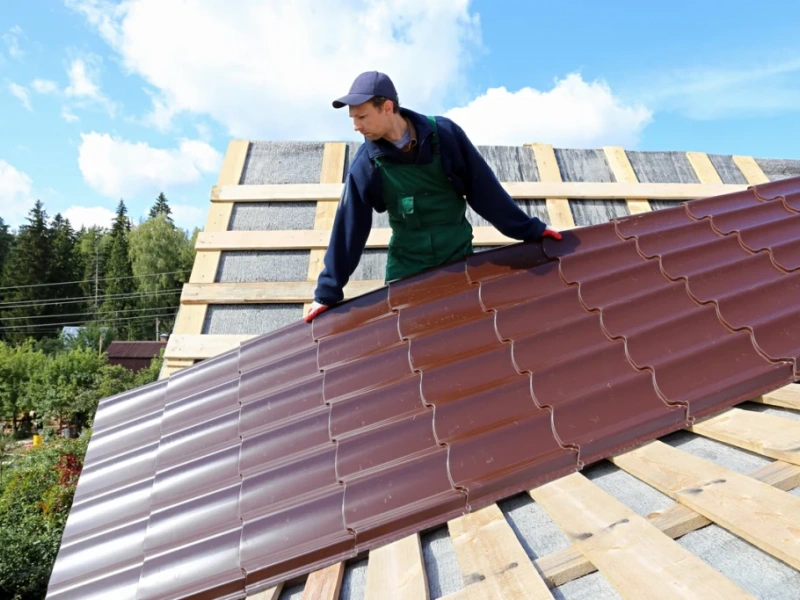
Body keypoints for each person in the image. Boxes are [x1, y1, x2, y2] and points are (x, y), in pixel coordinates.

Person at [305, 71, 562, 322]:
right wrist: (327, 293)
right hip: (407, 267)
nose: (356, 126)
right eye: (353, 118)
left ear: (387, 107)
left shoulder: (445, 136)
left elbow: (484, 190)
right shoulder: (367, 163)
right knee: (408, 342)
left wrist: (530, 229)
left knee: (463, 333)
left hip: (457, 257)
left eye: (362, 116)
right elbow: (350, 227)